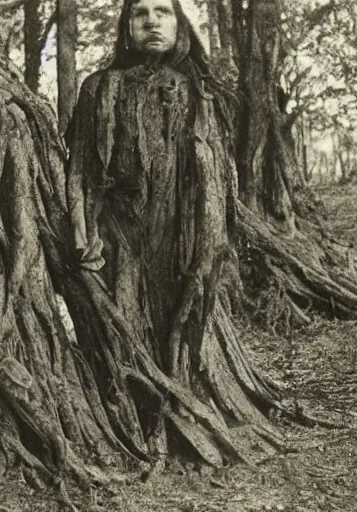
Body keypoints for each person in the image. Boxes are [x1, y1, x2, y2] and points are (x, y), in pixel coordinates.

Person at [65, 0, 237, 372]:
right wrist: (83, 236)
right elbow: (79, 170)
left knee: (176, 332)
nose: (152, 22)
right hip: (117, 241)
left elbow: (215, 181)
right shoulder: (97, 88)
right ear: (127, 26)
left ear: (180, 25)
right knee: (122, 344)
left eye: (163, 12)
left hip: (180, 241)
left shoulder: (199, 91)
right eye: (140, 13)